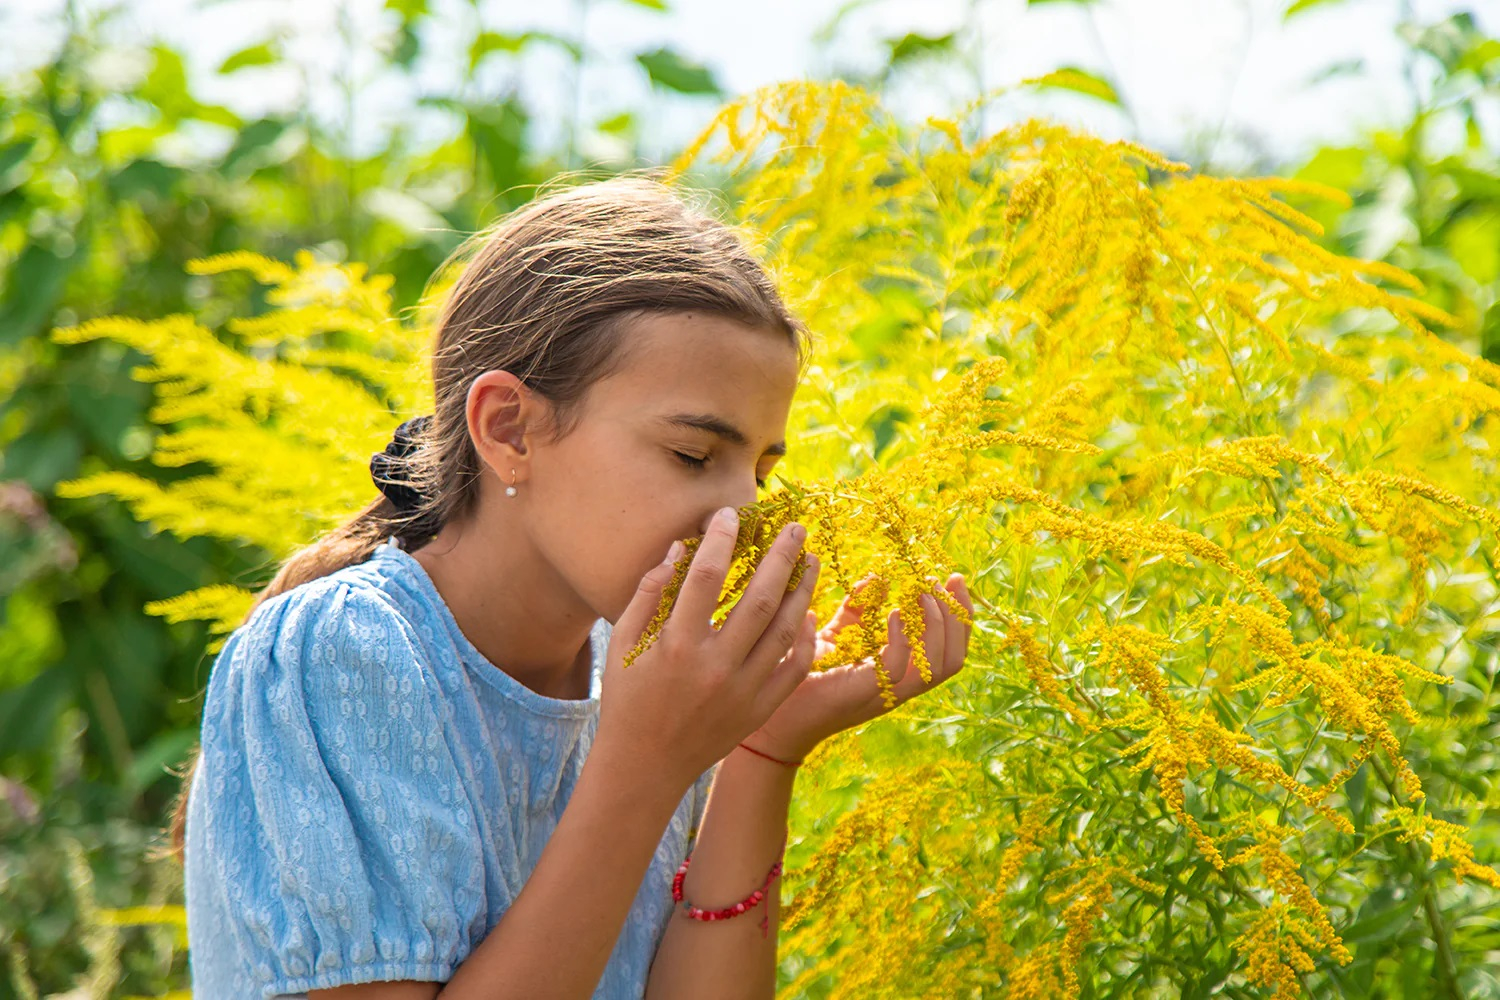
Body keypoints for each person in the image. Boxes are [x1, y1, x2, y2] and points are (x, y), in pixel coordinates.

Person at [177, 175, 975, 1000]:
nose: (745, 514)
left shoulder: (639, 673)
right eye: (694, 456)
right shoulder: (345, 654)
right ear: (508, 429)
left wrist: (762, 752)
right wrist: (644, 763)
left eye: (763, 472)